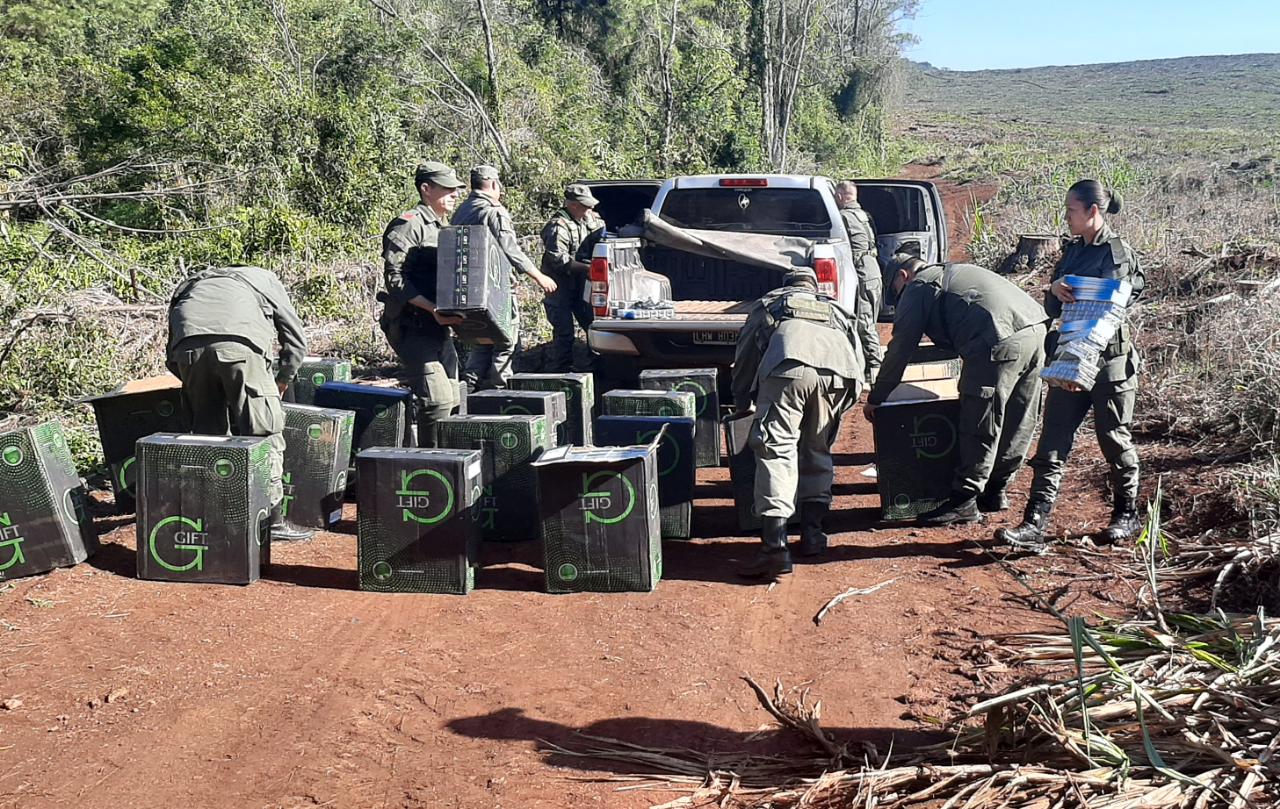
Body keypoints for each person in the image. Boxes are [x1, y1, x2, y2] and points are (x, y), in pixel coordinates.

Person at [998, 180, 1146, 550]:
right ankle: (1034, 522)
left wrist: (1074, 293)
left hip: (1108, 362)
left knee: (1113, 438)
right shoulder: (1073, 251)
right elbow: (1055, 307)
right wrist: (1055, 289)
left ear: (1093, 212)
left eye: (1071, 211)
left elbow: (1109, 309)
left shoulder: (1116, 253)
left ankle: (1125, 514)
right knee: (1052, 442)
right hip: (1069, 357)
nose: (1066, 218)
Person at [864, 255, 1050, 526]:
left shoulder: (919, 287)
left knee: (980, 416)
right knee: (1018, 417)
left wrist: (877, 397)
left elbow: (901, 347)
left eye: (895, 293)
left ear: (903, 276)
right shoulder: (955, 273)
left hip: (996, 339)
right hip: (1035, 330)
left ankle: (964, 500)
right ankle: (995, 490)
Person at [731, 267, 865, 580]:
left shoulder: (770, 305)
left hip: (789, 368)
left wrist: (742, 402)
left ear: (786, 287)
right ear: (814, 287)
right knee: (817, 447)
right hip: (839, 376)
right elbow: (859, 357)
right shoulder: (835, 309)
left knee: (776, 448)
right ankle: (813, 535)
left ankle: (774, 548)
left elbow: (746, 356)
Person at [166, 265, 310, 539]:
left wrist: (200, 381)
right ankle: (272, 521)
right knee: (265, 432)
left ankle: (214, 519)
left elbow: (172, 351)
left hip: (188, 349)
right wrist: (282, 379)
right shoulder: (264, 279)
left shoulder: (192, 282)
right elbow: (295, 339)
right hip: (241, 346)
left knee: (208, 437)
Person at [380, 161, 467, 447]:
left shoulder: (444, 226)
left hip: (437, 325)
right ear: (426, 189)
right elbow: (395, 279)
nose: (455, 195)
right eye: (447, 190)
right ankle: (430, 462)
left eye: (456, 190)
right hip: (412, 325)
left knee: (455, 396)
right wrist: (432, 309)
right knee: (438, 401)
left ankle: (450, 460)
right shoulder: (409, 225)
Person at [450, 165, 558, 390]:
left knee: (481, 343)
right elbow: (511, 249)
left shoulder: (462, 210)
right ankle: (499, 394)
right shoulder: (494, 211)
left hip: (467, 289)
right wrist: (539, 276)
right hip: (494, 290)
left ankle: (466, 392)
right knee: (505, 343)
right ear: (493, 184)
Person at [540, 183, 605, 373]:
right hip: (559, 287)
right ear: (572, 205)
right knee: (564, 333)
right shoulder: (557, 227)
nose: (589, 209)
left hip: (582, 286)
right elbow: (558, 259)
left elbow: (602, 236)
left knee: (594, 326)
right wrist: (588, 268)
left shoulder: (591, 220)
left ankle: (597, 368)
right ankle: (560, 373)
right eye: (585, 205)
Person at [835, 180, 883, 384]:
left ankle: (875, 371)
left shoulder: (843, 217)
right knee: (869, 319)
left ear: (839, 197)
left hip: (862, 272)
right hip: (873, 270)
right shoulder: (865, 215)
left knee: (863, 323)